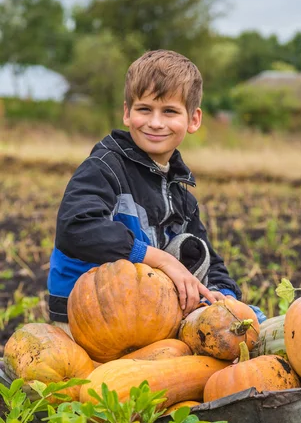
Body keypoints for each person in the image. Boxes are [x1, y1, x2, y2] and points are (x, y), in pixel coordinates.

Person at [47, 49, 266, 331]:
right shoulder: (104, 168)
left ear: (193, 120)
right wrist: (159, 259)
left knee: (251, 319)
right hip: (87, 316)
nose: (155, 122)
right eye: (144, 109)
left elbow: (209, 260)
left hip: (144, 311)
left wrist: (225, 299)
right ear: (127, 113)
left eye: (170, 111)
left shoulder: (181, 196)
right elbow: (76, 228)